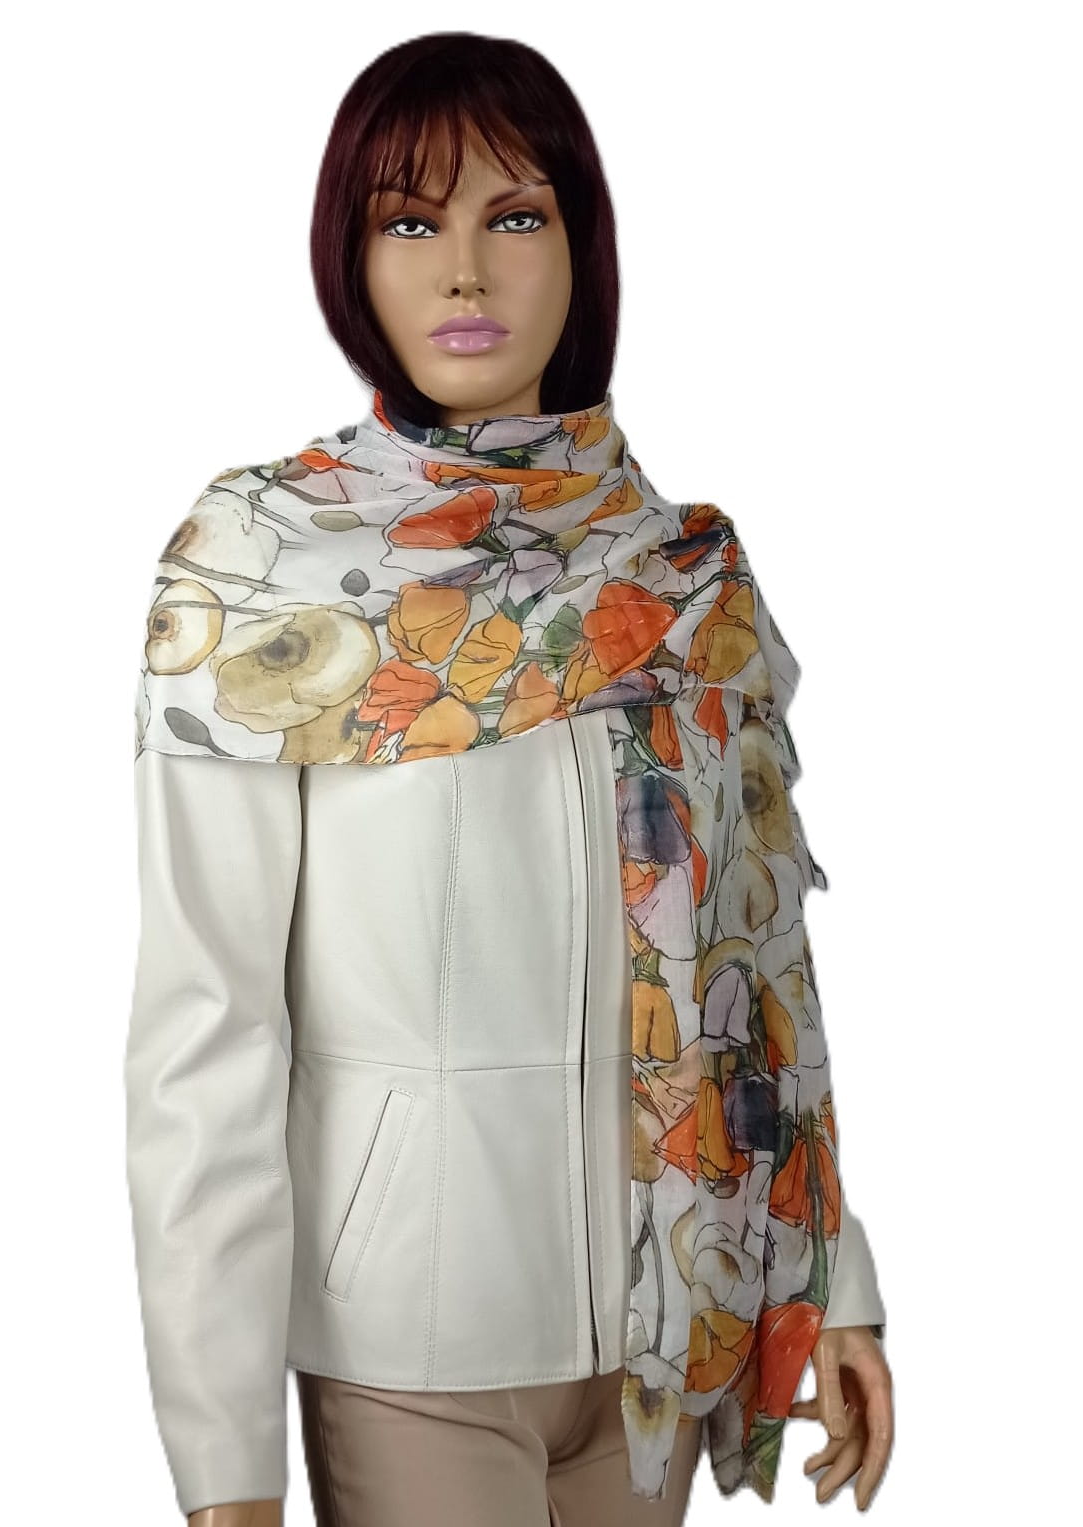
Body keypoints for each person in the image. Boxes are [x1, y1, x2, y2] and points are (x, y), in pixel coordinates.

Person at [125, 31, 894, 1527]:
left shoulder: (681, 577)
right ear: (353, 260)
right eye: (411, 223)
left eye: (515, 215)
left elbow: (758, 973)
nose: (465, 272)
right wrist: (223, 1465)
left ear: (580, 247)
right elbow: (204, 1031)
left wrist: (834, 1280)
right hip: (409, 1344)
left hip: (665, 1331)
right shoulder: (262, 578)